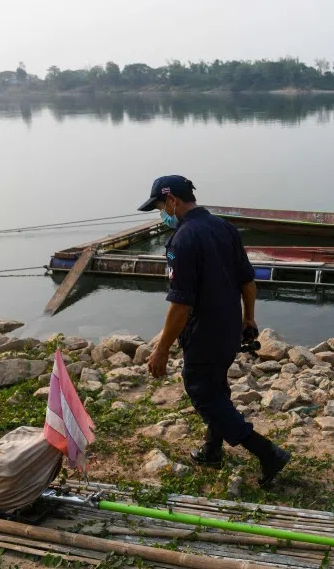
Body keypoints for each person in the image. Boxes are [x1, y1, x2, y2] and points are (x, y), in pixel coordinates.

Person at [137, 175, 290, 486]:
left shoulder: (182, 240)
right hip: (230, 326)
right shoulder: (224, 227)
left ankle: (266, 453)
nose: (160, 214)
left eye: (158, 207)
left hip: (203, 333)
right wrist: (249, 319)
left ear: (172, 201)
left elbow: (181, 305)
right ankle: (211, 451)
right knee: (216, 389)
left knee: (204, 394)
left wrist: (161, 349)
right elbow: (247, 280)